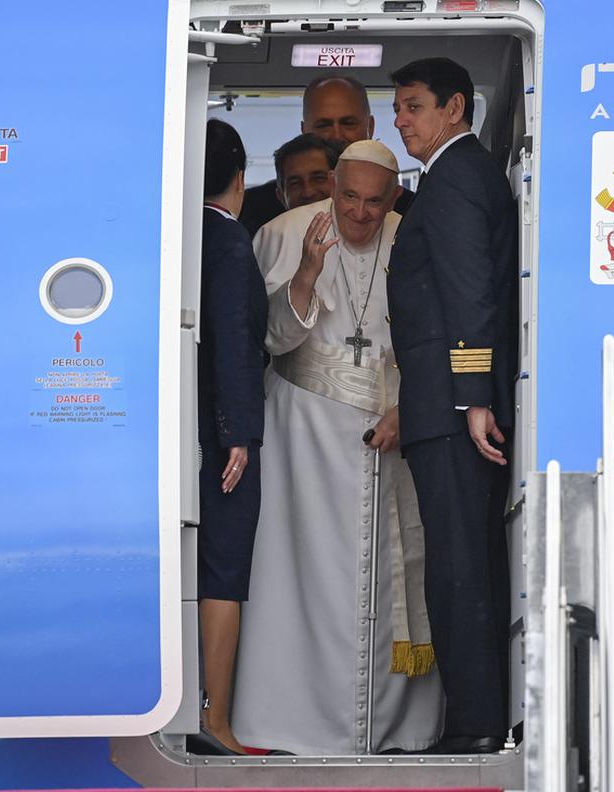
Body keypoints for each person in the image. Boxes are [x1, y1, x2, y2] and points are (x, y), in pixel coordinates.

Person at [231, 140, 442, 755]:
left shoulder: (413, 235)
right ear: (332, 188)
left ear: (393, 197)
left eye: (374, 202)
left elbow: (434, 337)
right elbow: (266, 341)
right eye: (348, 197)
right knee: (301, 575)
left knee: (394, 573)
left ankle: (393, 725)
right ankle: (295, 722)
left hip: (393, 430)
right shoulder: (282, 231)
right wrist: (304, 275)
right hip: (304, 439)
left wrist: (413, 406)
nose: (358, 214)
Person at [385, 57, 519, 755]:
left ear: (455, 108)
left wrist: (470, 396)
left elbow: (471, 294)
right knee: (465, 564)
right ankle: (477, 717)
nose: (399, 120)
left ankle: (473, 726)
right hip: (445, 406)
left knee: (460, 568)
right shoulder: (457, 177)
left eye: (411, 106)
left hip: (453, 410)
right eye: (399, 107)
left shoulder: (456, 179)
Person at [192, 118, 270, 757]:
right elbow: (234, 346)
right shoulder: (229, 243)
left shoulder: (174, 236)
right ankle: (215, 721)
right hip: (220, 440)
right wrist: (238, 433)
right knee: (224, 571)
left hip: (180, 433)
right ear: (241, 178)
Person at [239, 74, 416, 235]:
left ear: (369, 126)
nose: (336, 136)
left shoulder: (407, 208)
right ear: (304, 131)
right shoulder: (255, 210)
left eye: (348, 123)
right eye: (323, 125)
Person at [273, 133, 339, 212]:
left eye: (318, 178)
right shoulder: (273, 225)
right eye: (295, 183)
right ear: (281, 197)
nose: (308, 193)